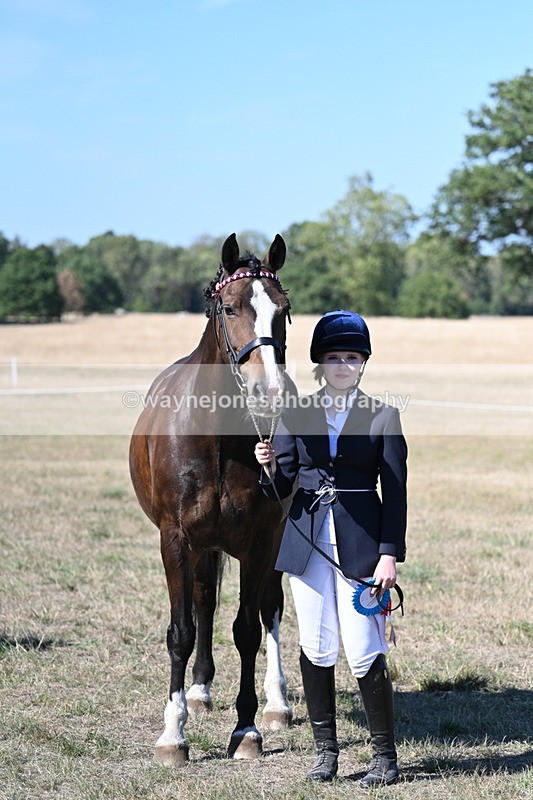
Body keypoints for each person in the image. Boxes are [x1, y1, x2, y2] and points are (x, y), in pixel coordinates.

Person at [255, 310, 407, 788]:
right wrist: (267, 466)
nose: (344, 365)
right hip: (308, 543)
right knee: (317, 647)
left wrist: (389, 553)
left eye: (352, 357)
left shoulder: (383, 414)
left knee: (363, 650)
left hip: (362, 545)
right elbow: (279, 485)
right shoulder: (295, 412)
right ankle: (327, 754)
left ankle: (385, 757)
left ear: (363, 363)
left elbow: (396, 491)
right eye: (334, 357)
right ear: (320, 363)